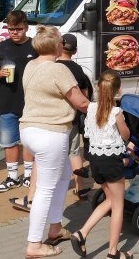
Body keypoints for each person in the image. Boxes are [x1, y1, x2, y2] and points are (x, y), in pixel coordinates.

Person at [18, 26, 90, 258]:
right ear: (55, 46)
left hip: (30, 130)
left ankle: (56, 228)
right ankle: (34, 244)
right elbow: (81, 102)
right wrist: (106, 108)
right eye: (61, 42)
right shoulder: (58, 70)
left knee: (63, 174)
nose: (63, 45)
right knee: (45, 190)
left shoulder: (31, 65)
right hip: (50, 132)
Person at [71, 71, 134, 259]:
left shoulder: (90, 108)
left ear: (98, 88)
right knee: (118, 206)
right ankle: (113, 253)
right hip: (111, 161)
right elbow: (126, 136)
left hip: (95, 160)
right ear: (118, 90)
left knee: (109, 200)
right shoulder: (116, 112)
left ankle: (81, 234)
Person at [0, 10, 37, 193]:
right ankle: (13, 177)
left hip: (30, 102)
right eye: (11, 29)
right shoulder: (1, 47)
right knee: (9, 141)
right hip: (8, 100)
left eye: (18, 29)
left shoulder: (35, 46)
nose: (15, 33)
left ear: (26, 27)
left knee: (29, 141)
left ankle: (30, 175)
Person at [58, 34, 93, 200]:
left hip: (54, 119)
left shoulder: (53, 67)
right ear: (76, 50)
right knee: (73, 152)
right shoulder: (78, 70)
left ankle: (50, 190)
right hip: (74, 117)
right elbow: (85, 96)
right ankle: (81, 188)